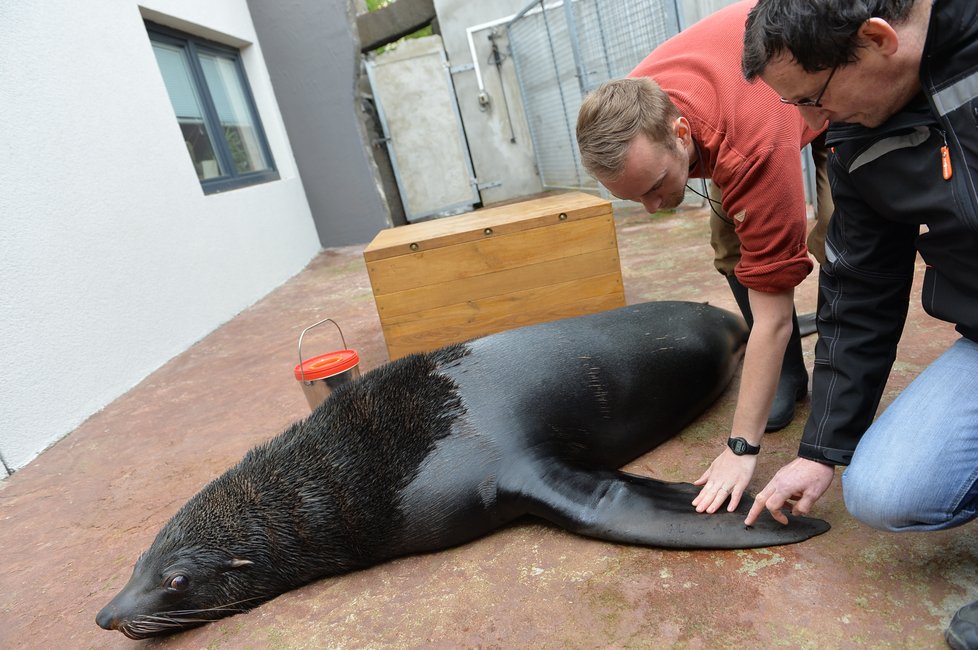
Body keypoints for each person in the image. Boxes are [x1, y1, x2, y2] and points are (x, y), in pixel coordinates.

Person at [739, 1, 978, 648]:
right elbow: (861, 290)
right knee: (884, 489)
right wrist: (823, 449)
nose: (812, 126)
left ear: (877, 40)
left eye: (813, 100)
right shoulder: (855, 131)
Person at [576, 0, 833, 517]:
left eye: (655, 188)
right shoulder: (634, 108)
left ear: (680, 134)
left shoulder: (748, 146)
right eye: (635, 200)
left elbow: (776, 313)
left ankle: (841, 384)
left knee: (839, 240)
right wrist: (662, 183)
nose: (652, 210)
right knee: (732, 247)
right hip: (731, 103)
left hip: (824, 91)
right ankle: (785, 373)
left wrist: (742, 448)